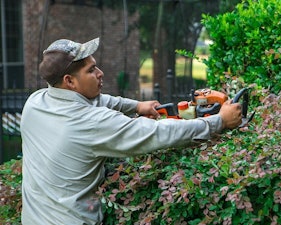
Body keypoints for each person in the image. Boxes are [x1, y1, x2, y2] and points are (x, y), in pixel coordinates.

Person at [20, 37, 242, 225]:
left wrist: (137, 106)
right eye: (91, 70)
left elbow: (99, 100)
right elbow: (158, 133)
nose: (100, 73)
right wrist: (218, 121)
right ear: (69, 81)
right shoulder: (90, 122)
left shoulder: (36, 102)